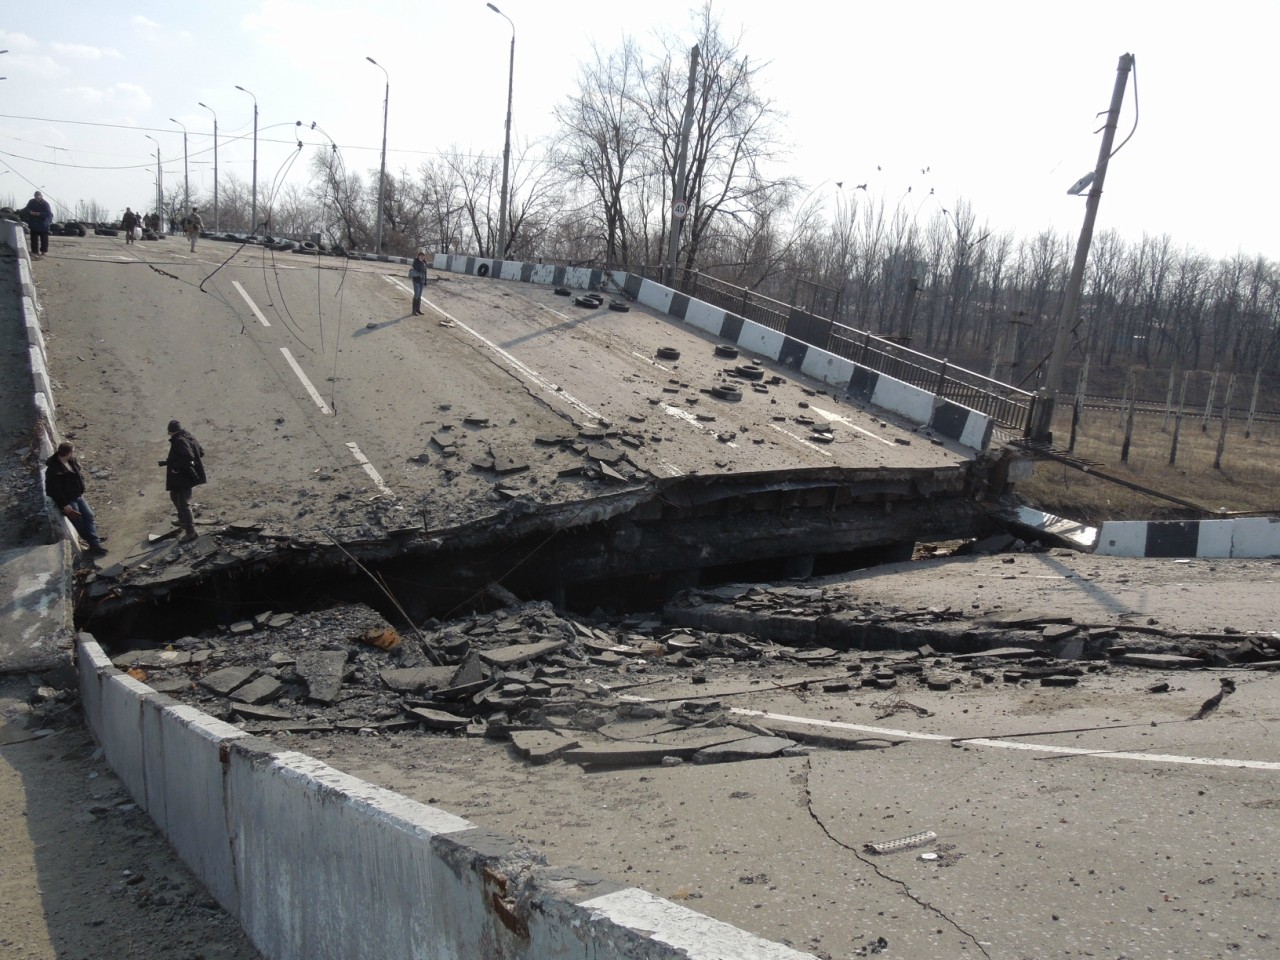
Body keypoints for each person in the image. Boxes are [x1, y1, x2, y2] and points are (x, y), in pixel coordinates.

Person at [44, 441, 108, 557]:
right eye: (72, 451)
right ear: (67, 453)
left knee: (89, 516)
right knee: (79, 522)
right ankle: (94, 544)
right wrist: (64, 504)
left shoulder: (71, 461)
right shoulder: (53, 470)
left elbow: (77, 474)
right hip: (68, 501)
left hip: (78, 495)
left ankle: (93, 540)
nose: (73, 454)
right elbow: (53, 490)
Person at [159, 420, 206, 543]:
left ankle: (191, 532)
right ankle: (182, 520)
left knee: (183, 503)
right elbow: (200, 452)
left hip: (183, 478)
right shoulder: (189, 436)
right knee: (174, 496)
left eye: (169, 433)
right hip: (186, 476)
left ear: (172, 431)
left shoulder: (179, 440)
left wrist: (176, 467)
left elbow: (188, 456)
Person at [23, 191, 53, 259]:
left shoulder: (45, 204)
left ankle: (43, 251)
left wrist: (39, 214)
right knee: (33, 239)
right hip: (34, 223)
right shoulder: (31, 202)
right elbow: (27, 208)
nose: (37, 198)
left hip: (43, 224)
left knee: (44, 239)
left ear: (41, 196)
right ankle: (34, 251)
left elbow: (48, 214)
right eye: (36, 197)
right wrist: (30, 212)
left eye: (38, 197)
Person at [409, 250, 429, 315]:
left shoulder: (424, 263)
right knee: (416, 294)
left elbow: (425, 272)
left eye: (423, 256)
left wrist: (425, 281)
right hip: (416, 280)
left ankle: (418, 310)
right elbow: (417, 268)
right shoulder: (416, 262)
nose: (422, 257)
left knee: (419, 296)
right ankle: (414, 311)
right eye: (421, 256)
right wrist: (420, 262)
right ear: (418, 256)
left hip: (422, 281)